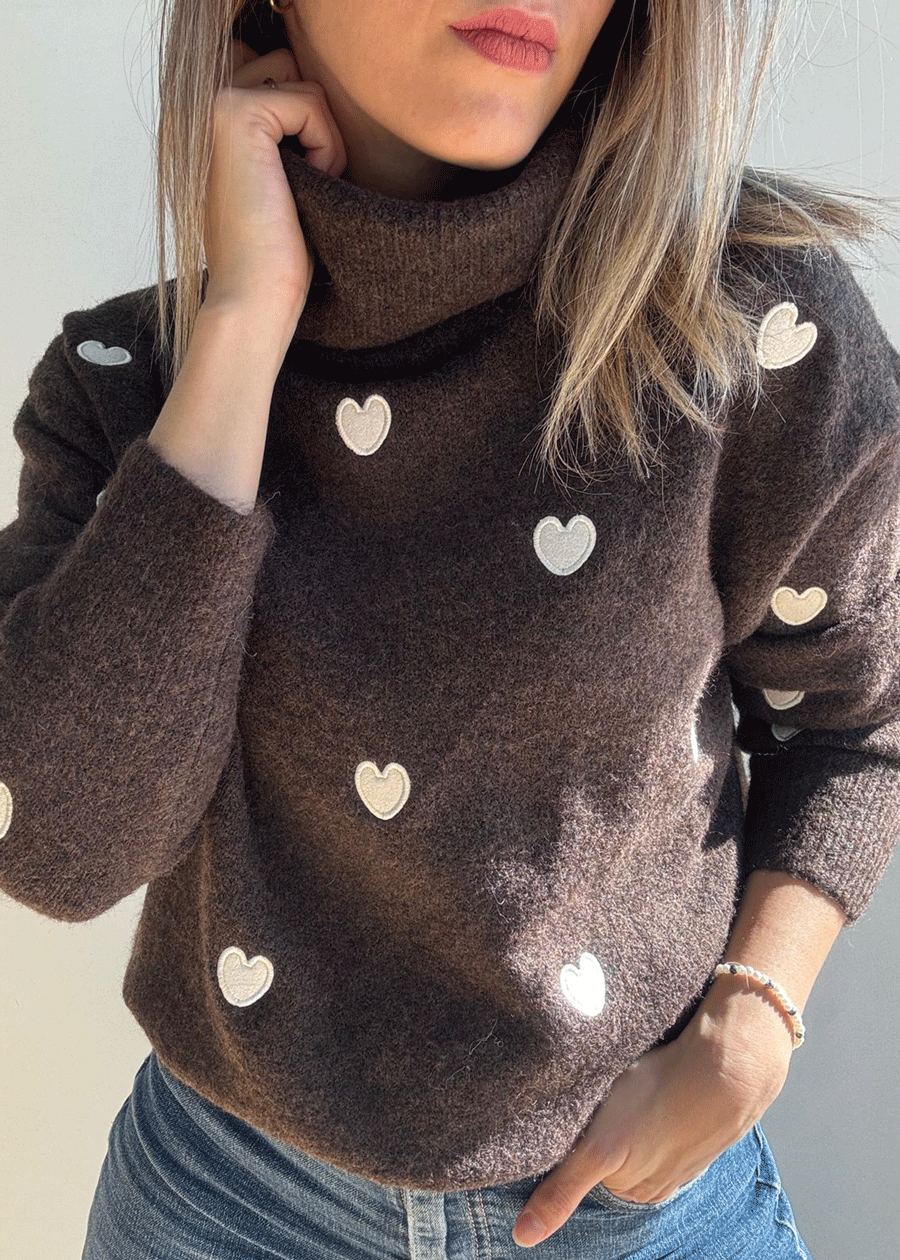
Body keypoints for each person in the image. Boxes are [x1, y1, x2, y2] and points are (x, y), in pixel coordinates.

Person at [2, 1, 898, 1256]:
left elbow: (858, 717)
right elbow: (58, 846)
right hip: (220, 1207)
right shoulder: (127, 384)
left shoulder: (754, 326)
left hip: (640, 1214)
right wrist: (243, 328)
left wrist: (754, 1019)